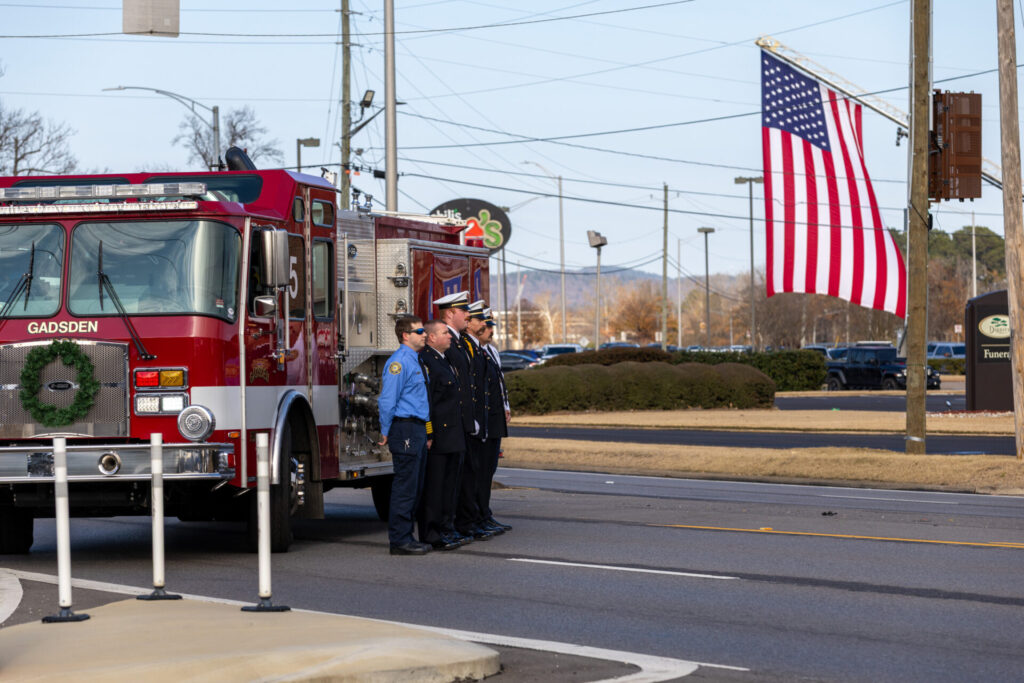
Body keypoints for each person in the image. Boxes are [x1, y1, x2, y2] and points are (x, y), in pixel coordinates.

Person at [434, 291, 491, 543]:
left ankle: (462, 523)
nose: (468, 315)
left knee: (465, 476)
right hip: (451, 424)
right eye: (463, 311)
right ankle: (453, 525)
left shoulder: (459, 343)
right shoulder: (447, 345)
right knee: (450, 481)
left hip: (464, 422)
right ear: (449, 314)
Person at [377, 315, 431, 555]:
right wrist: (386, 430)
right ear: (405, 335)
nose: (425, 334)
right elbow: (387, 400)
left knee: (416, 486)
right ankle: (399, 540)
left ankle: (407, 535)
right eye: (419, 331)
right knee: (405, 486)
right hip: (405, 427)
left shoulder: (415, 360)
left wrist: (427, 432)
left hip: (417, 427)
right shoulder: (399, 362)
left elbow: (422, 401)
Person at [417, 319, 466, 551]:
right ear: (432, 338)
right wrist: (429, 433)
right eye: (445, 333)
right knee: (435, 489)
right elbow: (428, 402)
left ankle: (446, 528)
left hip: (453, 435)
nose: (450, 336)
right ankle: (431, 533)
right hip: (439, 435)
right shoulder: (427, 361)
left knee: (449, 487)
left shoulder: (444, 360)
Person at [454, 300, 494, 539]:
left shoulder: (476, 347)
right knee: (467, 475)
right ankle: (466, 521)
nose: (482, 325)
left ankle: (478, 517)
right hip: (464, 423)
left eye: (474, 318)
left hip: (477, 421)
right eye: (475, 319)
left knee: (478, 472)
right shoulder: (464, 345)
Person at [473, 308, 512, 534]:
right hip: (482, 420)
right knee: (479, 470)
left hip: (495, 417)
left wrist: (506, 406)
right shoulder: (475, 352)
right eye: (486, 326)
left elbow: (499, 383)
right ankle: (477, 515)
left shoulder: (491, 351)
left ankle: (485, 513)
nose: (490, 331)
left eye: (491, 326)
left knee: (489, 469)